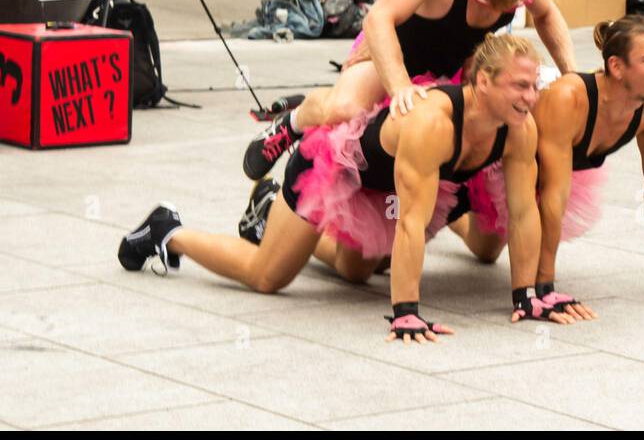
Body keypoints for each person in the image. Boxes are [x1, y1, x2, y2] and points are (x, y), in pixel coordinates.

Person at [118, 34, 574, 341]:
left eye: (533, 86)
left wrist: (528, 297)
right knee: (267, 276)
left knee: (356, 273)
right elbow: (411, 224)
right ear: (482, 80)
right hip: (336, 164)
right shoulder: (432, 122)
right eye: (519, 86)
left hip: (383, 187)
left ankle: (269, 208)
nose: (530, 98)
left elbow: (522, 213)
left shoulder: (519, 127)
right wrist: (406, 313)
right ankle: (165, 230)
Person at [242, 0, 576, 180]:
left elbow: (547, 15)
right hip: (393, 52)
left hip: (456, 68)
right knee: (344, 108)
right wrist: (400, 84)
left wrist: (571, 74)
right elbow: (379, 17)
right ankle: (291, 123)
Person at [450, 16, 644, 313]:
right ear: (616, 67)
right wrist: (544, 288)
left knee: (487, 250)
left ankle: (454, 220)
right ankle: (446, 211)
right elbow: (553, 197)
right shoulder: (568, 98)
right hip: (485, 159)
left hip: (529, 179)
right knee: (389, 254)